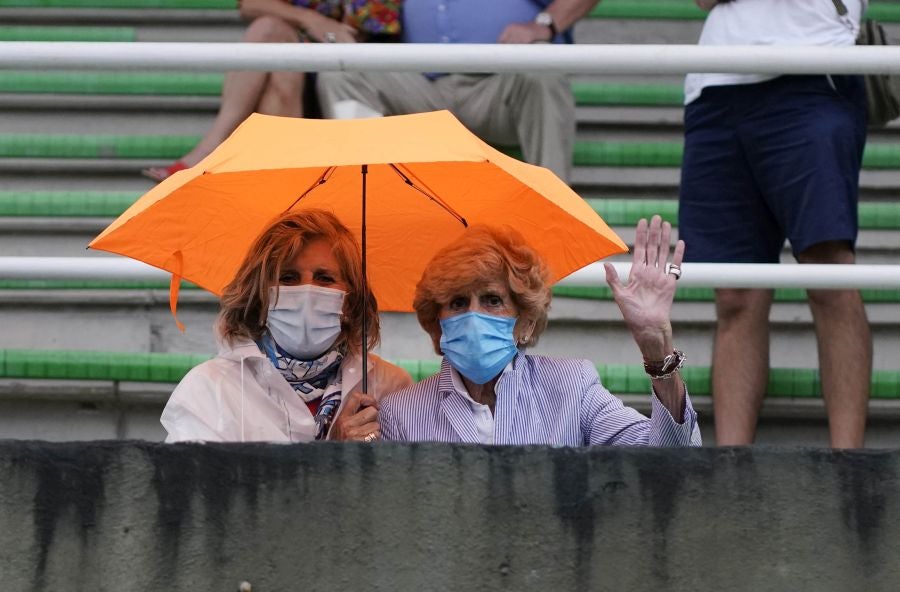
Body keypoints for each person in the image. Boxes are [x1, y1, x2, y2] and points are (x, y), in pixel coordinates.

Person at [679, 0, 871, 447]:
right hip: (716, 83)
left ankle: (852, 472)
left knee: (829, 273)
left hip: (812, 69)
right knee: (734, 293)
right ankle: (732, 471)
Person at [378, 216, 700, 446]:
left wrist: (658, 355)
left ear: (526, 322)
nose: (474, 316)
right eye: (459, 302)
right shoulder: (402, 413)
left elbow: (668, 457)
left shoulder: (572, 388)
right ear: (438, 323)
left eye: (492, 300)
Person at [161, 208, 413, 442]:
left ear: (351, 300)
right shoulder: (209, 388)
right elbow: (202, 488)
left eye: (324, 278)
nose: (307, 291)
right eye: (288, 278)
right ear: (260, 297)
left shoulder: (389, 386)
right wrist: (333, 458)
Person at [316, 0, 603, 184]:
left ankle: (554, 211)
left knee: (541, 67)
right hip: (420, 85)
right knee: (341, 71)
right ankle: (367, 204)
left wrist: (544, 24)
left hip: (499, 88)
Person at [143, 0, 400, 182]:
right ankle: (286, 177)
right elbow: (249, 5)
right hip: (296, 60)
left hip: (350, 73)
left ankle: (214, 151)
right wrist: (311, 19)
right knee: (269, 33)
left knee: (277, 62)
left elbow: (378, 26)